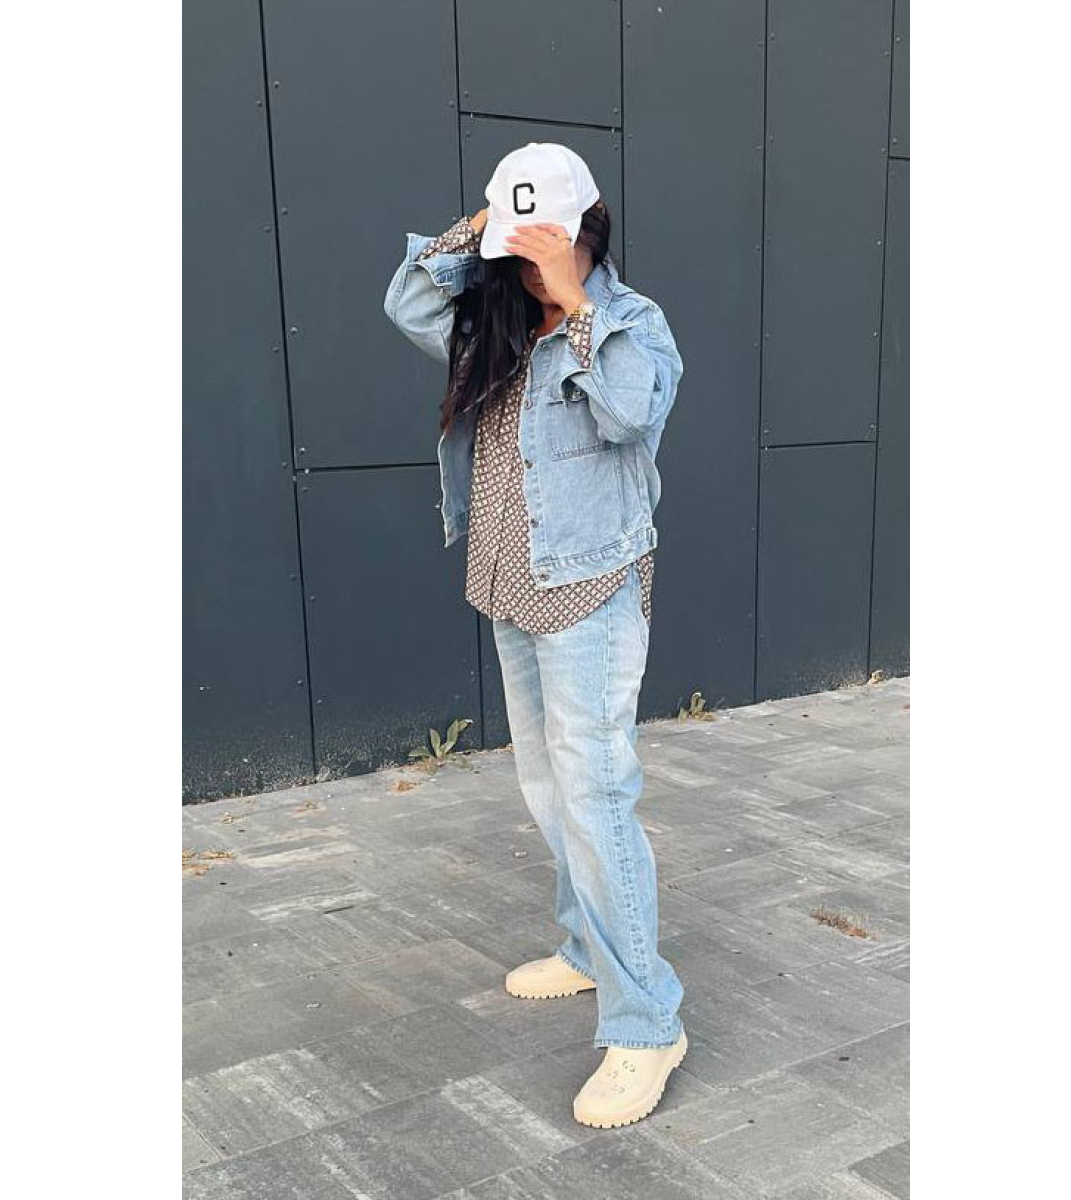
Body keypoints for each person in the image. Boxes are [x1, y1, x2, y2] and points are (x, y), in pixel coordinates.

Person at [383, 142, 686, 1129]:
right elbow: (409, 302)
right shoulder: (498, 319)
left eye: (539, 241)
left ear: (587, 227)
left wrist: (577, 299)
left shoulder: (632, 325)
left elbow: (627, 413)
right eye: (512, 245)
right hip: (508, 581)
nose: (521, 262)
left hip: (589, 588)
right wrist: (479, 229)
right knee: (548, 787)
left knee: (597, 799)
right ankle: (588, 946)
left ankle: (647, 1023)